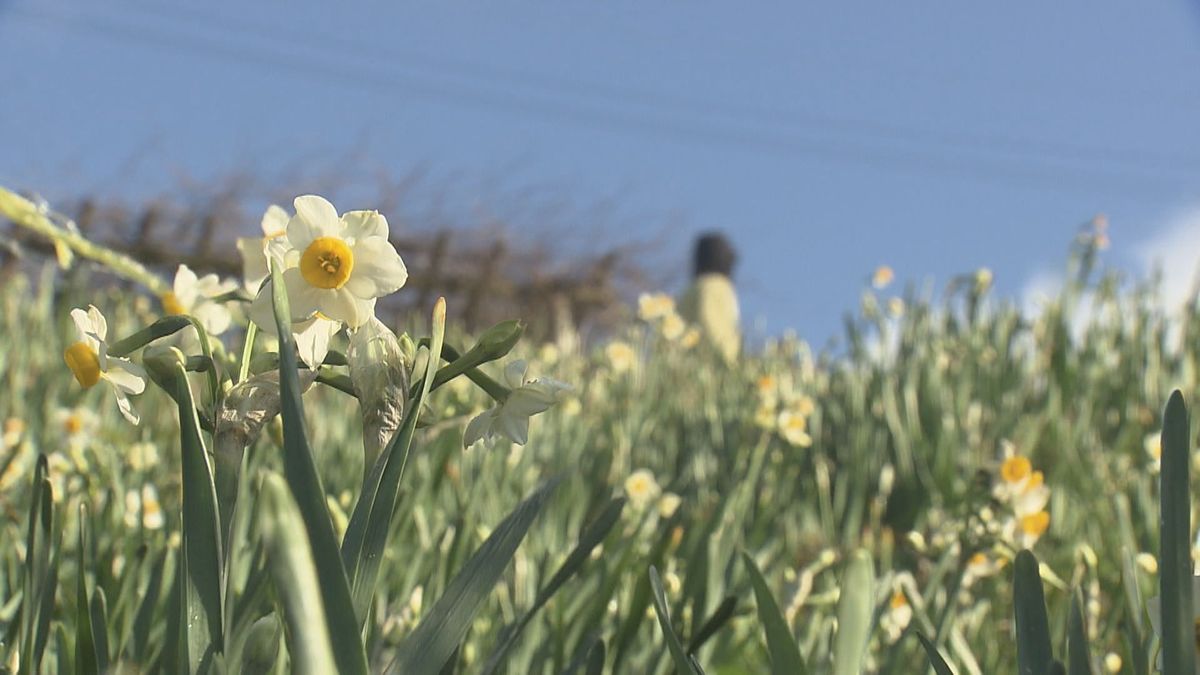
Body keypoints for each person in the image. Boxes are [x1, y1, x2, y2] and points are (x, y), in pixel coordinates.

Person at [679, 232, 740, 362]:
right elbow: (709, 321)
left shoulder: (690, 290)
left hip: (685, 362)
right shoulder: (716, 286)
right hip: (710, 361)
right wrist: (725, 359)